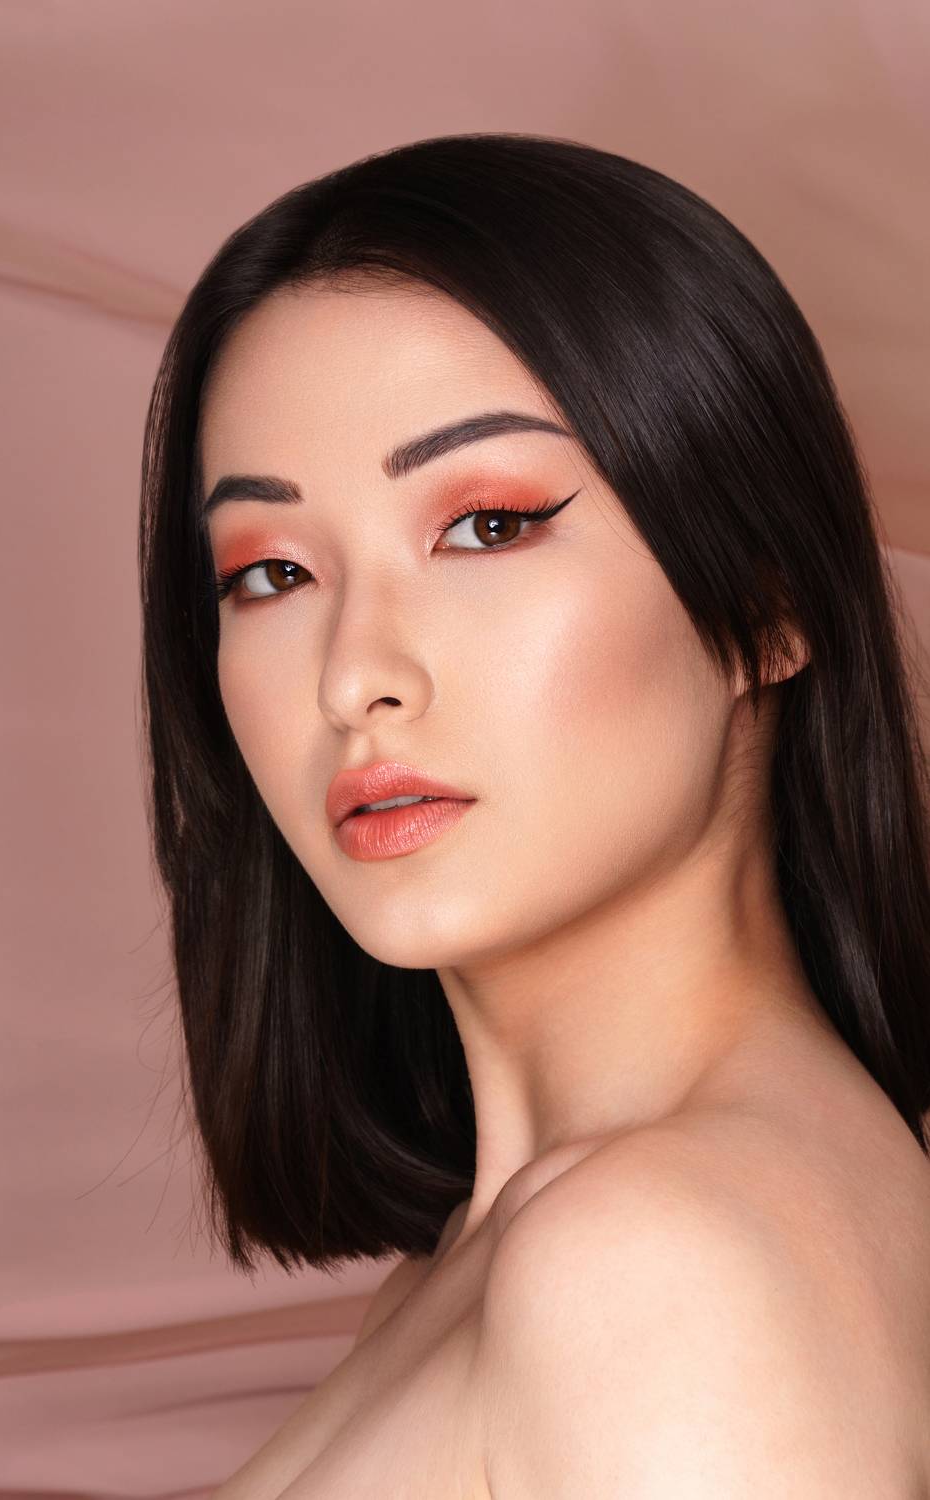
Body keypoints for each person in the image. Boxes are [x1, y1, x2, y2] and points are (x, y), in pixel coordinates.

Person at [138, 132, 930, 1497]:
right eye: (272, 572)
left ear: (766, 601)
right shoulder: (481, 1259)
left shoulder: (655, 1269)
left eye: (488, 527)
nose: (353, 677)